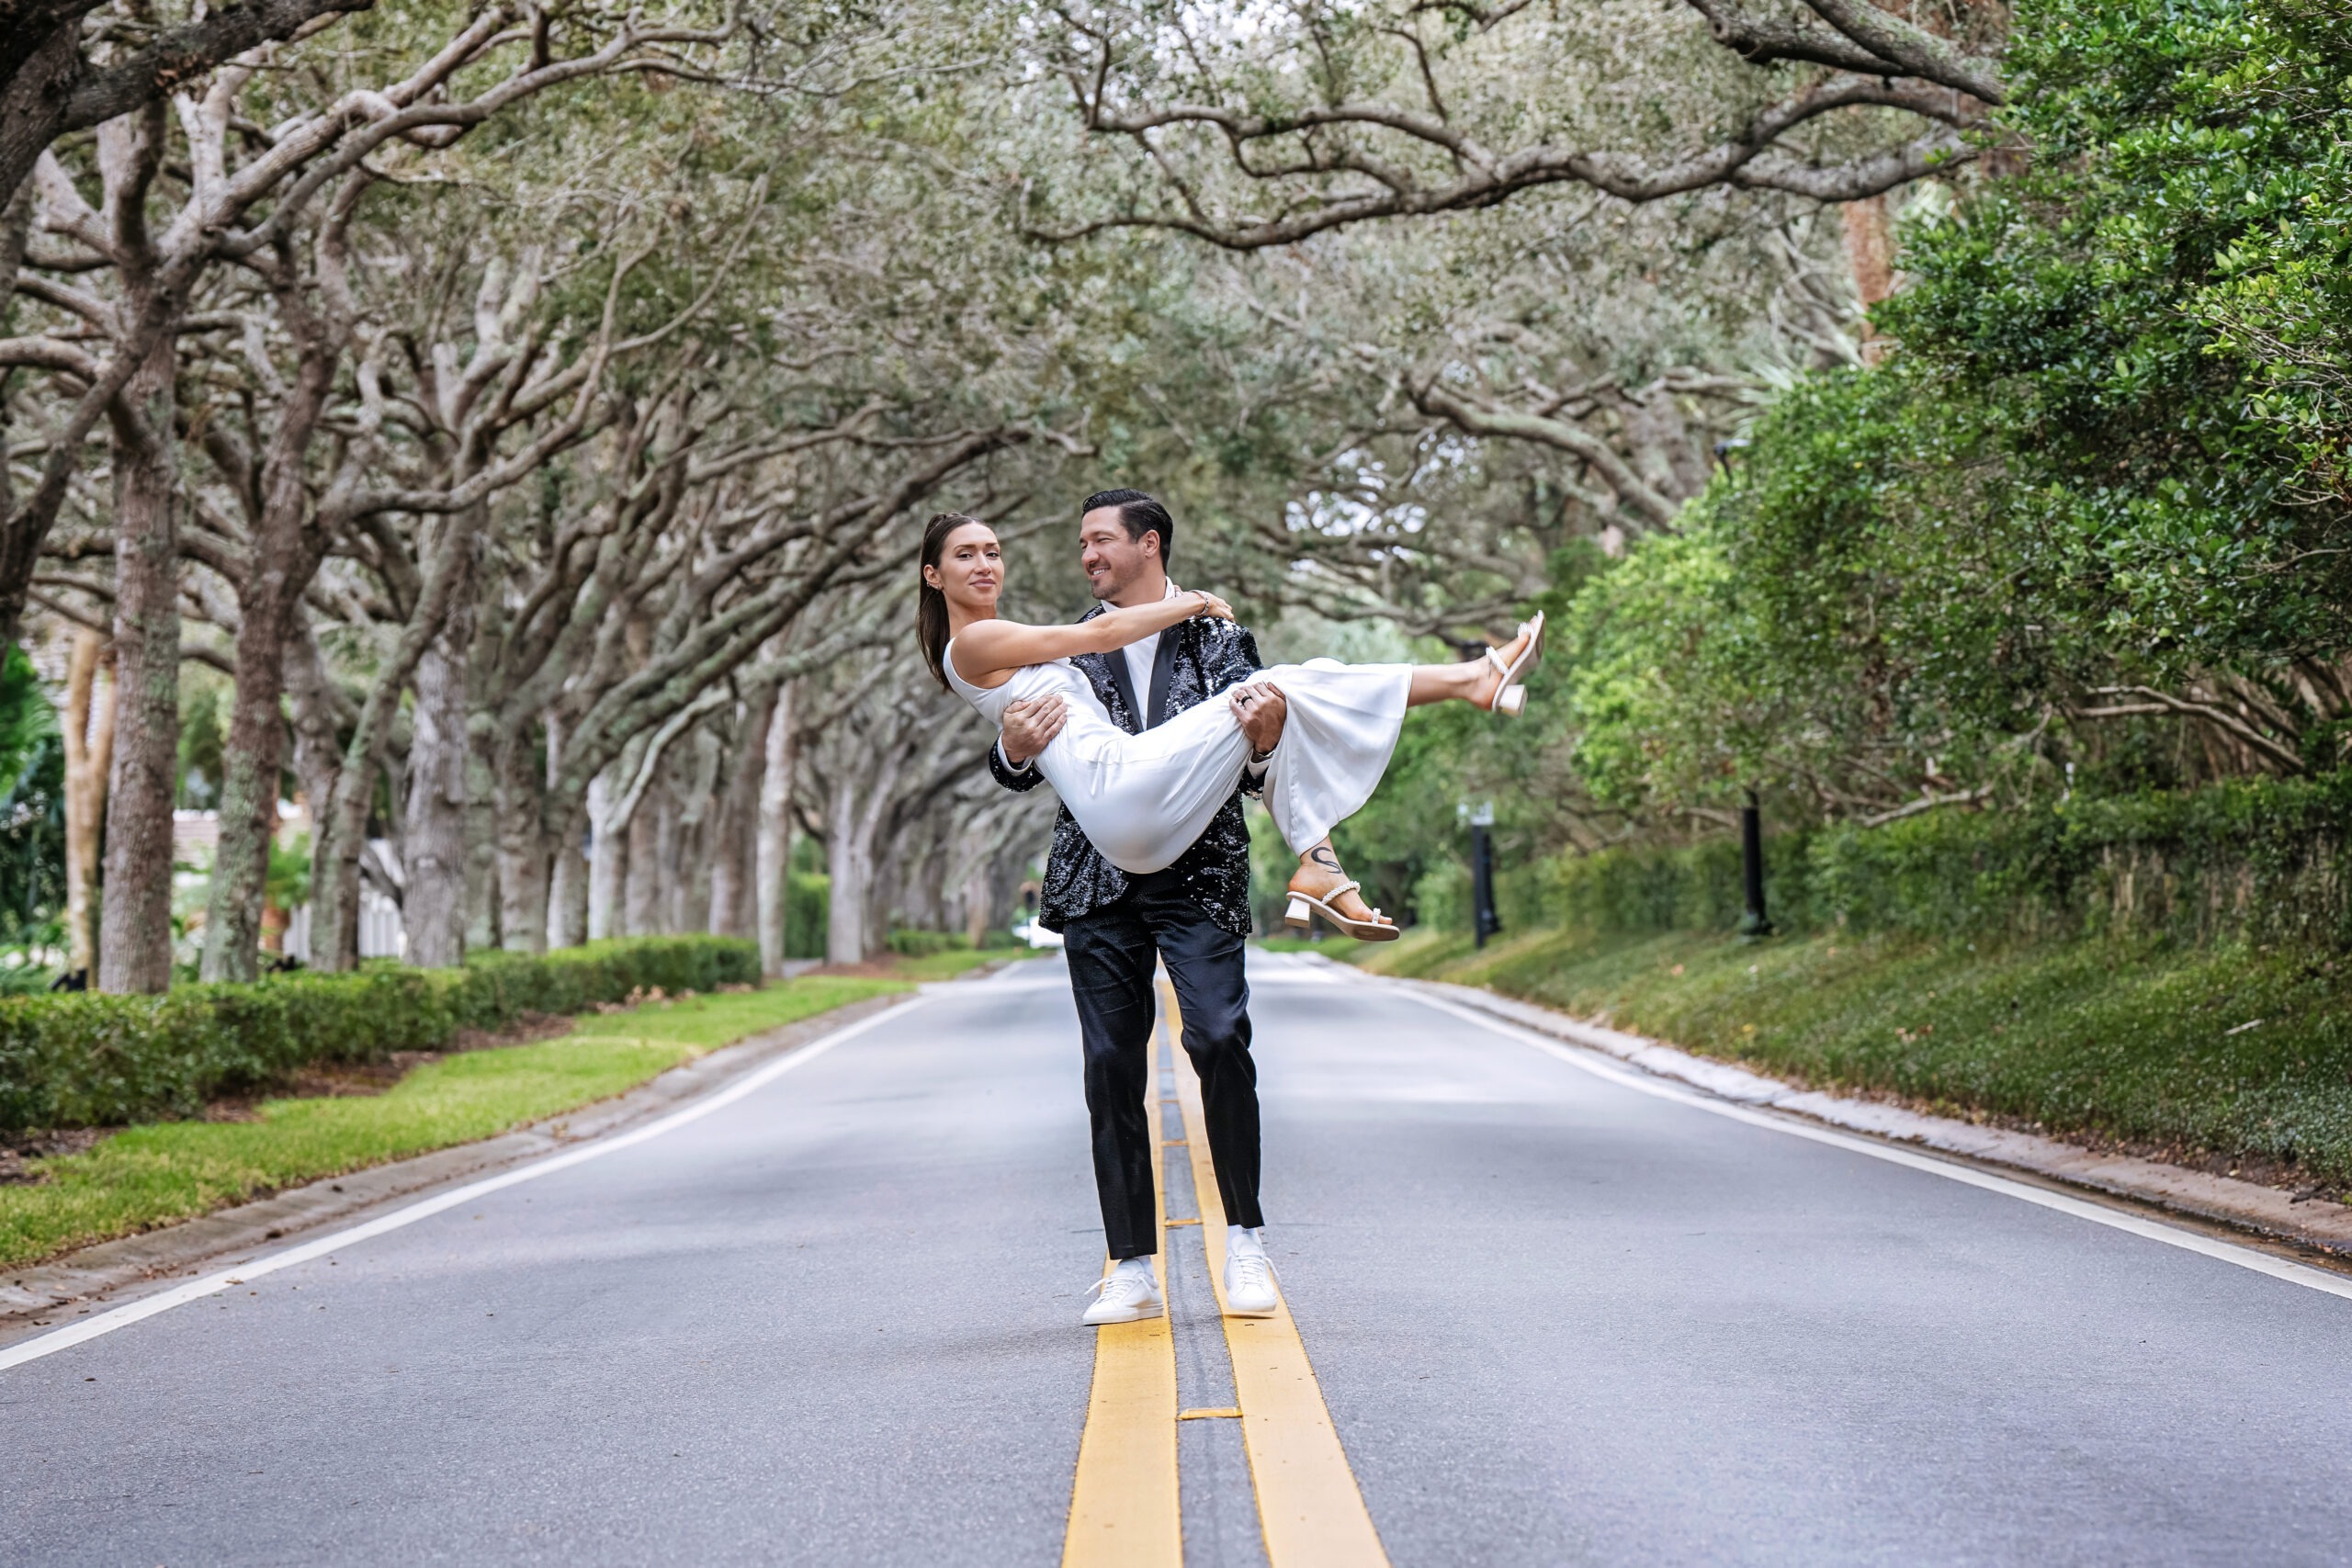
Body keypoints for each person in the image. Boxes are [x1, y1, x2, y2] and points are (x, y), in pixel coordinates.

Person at [933, 494, 1540, 1325]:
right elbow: (1023, 754)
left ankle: (1245, 1241)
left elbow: (1253, 762)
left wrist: (1264, 735)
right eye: (970, 554)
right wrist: (1013, 747)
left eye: (1099, 541)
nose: (1085, 558)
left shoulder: (1220, 640)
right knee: (1111, 1070)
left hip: (1197, 863)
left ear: (1148, 543)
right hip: (1099, 867)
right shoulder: (1060, 636)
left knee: (1220, 1038)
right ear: (935, 576)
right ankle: (1132, 1265)